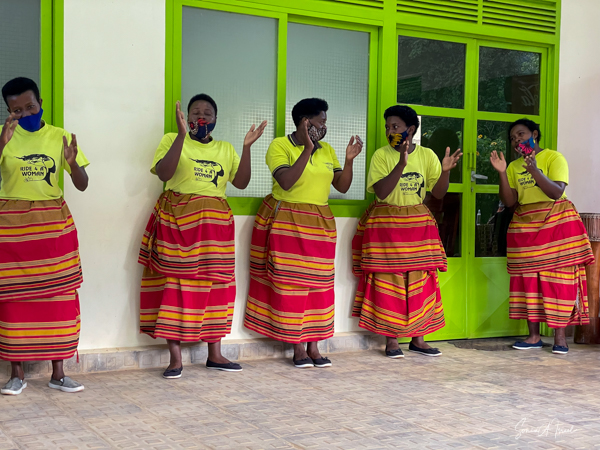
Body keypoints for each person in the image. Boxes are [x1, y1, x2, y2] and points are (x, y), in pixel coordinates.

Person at [139, 95, 266, 378]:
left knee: (217, 286)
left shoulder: (225, 148)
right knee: (175, 284)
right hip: (176, 223)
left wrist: (246, 148)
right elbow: (164, 173)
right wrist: (181, 135)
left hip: (215, 229)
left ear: (216, 119)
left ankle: (215, 354)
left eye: (208, 113)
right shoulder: (172, 139)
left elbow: (241, 182)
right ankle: (175, 359)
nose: (202, 117)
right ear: (186, 117)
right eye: (196, 112)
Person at [244, 98, 363, 368]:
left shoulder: (327, 150)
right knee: (291, 285)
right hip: (287, 220)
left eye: (325, 122)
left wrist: (348, 161)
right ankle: (297, 346)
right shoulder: (279, 145)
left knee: (319, 287)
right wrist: (307, 150)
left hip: (319, 225)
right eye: (321, 121)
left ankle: (314, 346)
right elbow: (286, 182)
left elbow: (342, 187)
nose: (324, 126)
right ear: (304, 121)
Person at [0, 77, 89, 395]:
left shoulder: (59, 136)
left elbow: (82, 184)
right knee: (13, 300)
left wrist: (72, 163)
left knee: (59, 298)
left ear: (41, 103)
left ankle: (59, 373)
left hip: (53, 227)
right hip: (12, 229)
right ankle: (17, 374)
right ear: (9, 112)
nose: (26, 113)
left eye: (30, 106)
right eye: (17, 110)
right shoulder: (4, 135)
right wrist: (1, 145)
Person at [352, 105, 461, 358]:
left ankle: (418, 339)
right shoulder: (381, 155)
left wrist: (445, 171)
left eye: (395, 127)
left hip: (417, 224)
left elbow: (439, 193)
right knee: (389, 281)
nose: (390, 131)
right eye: (387, 127)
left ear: (410, 129)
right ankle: (391, 340)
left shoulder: (427, 155)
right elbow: (381, 192)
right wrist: (401, 164)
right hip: (387, 225)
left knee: (421, 280)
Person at [490, 119, 594, 354]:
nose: (516, 140)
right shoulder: (513, 166)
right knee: (529, 281)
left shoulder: (553, 158)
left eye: (521, 134)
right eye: (513, 138)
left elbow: (556, 192)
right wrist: (502, 173)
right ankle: (533, 336)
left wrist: (534, 170)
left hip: (556, 225)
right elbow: (510, 202)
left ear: (534, 134)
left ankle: (560, 338)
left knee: (558, 281)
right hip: (526, 227)